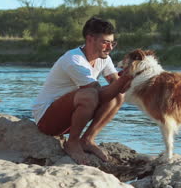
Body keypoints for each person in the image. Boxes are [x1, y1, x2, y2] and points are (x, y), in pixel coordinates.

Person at [32, 17, 132, 165]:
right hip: (47, 120)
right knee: (89, 95)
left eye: (112, 43)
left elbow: (117, 86)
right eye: (105, 42)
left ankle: (87, 139)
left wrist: (135, 74)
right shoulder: (74, 59)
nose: (110, 48)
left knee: (118, 97)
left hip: (69, 117)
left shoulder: (104, 58)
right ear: (90, 39)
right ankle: (72, 143)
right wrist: (126, 78)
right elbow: (98, 94)